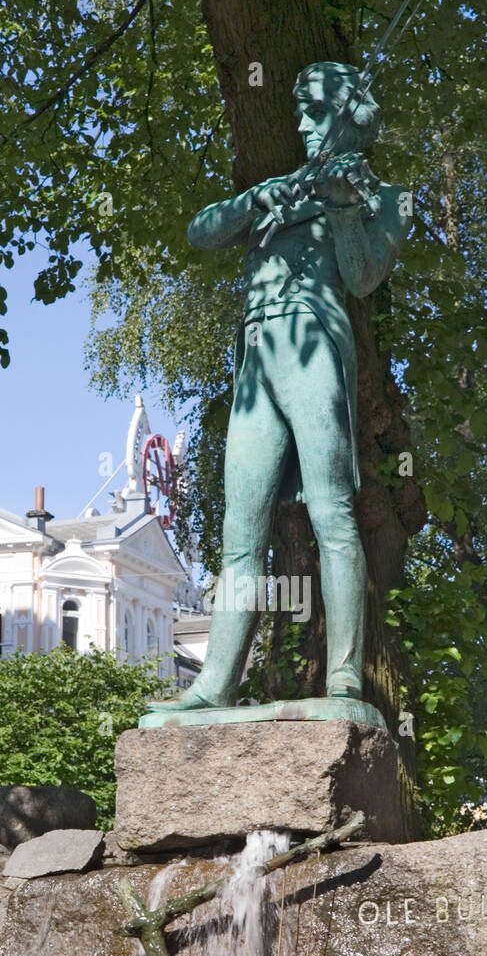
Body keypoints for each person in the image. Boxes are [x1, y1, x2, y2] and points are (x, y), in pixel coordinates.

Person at [148, 60, 411, 714]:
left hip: (314, 343)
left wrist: (346, 211)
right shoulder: (283, 185)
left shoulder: (383, 196)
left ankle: (344, 676)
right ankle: (214, 684)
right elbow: (201, 231)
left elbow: (362, 278)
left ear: (350, 115)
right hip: (256, 361)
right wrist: (265, 197)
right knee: (241, 533)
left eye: (314, 110)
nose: (300, 122)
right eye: (297, 109)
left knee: (331, 512)